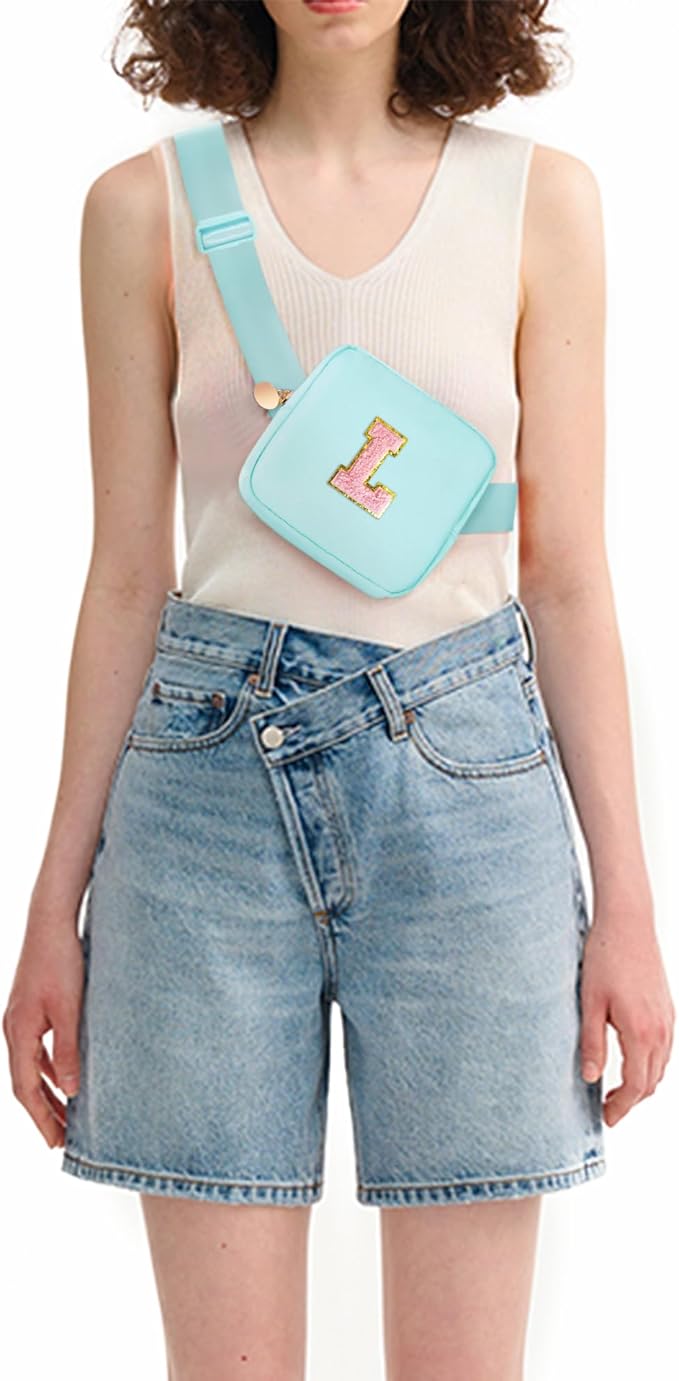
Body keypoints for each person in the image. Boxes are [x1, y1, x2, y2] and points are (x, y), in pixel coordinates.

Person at [4, 2, 675, 1378]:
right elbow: (126, 576)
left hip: (471, 794)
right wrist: (52, 908)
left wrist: (627, 904)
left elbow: (566, 574)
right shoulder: (139, 209)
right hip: (201, 803)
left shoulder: (541, 201)